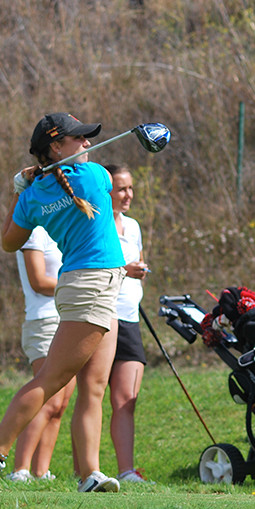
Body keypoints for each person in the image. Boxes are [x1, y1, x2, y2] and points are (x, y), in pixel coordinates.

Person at [0, 112, 126, 492]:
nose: (88, 144)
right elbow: (101, 181)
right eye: (79, 139)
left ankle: (90, 473)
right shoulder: (94, 177)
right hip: (91, 285)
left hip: (95, 285)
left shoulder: (33, 194)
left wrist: (20, 189)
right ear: (57, 147)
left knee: (94, 386)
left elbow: (8, 240)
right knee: (52, 378)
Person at [7, 225, 76, 483]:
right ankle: (19, 470)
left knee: (61, 404)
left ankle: (40, 472)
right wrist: (76, 285)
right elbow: (38, 281)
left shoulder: (63, 227)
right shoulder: (35, 230)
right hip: (43, 321)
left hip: (67, 318)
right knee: (49, 400)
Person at [104, 164, 151, 483]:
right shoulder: (94, 224)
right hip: (101, 315)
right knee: (91, 396)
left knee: (126, 399)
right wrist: (125, 271)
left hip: (130, 318)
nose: (128, 195)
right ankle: (86, 470)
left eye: (130, 188)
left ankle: (127, 471)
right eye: (121, 189)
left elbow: (140, 263)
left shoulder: (133, 227)